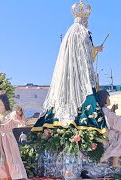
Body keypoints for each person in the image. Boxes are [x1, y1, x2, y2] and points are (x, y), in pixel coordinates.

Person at [32, 0, 107, 134]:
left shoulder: (69, 33)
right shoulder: (84, 32)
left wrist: (94, 49)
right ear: (85, 20)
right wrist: (96, 50)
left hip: (66, 76)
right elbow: (87, 55)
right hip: (80, 75)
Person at [0, 92, 27, 179]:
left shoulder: (10, 115)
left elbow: (18, 119)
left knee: (11, 160)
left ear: (4, 102)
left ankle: (16, 177)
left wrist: (19, 113)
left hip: (8, 142)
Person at [97, 90, 121, 168]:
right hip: (108, 133)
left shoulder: (105, 110)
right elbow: (113, 120)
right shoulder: (104, 110)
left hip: (110, 131)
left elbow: (113, 118)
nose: (109, 100)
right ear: (103, 99)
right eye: (108, 98)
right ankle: (115, 162)